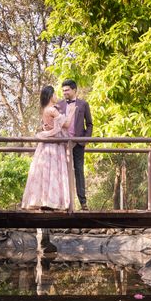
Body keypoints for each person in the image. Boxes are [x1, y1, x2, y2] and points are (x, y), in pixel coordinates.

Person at [21, 85, 72, 210]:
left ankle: (43, 199)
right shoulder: (52, 110)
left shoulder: (44, 109)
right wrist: (71, 112)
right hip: (53, 144)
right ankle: (52, 201)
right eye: (54, 94)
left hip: (45, 145)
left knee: (44, 172)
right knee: (53, 171)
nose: (56, 96)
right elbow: (66, 124)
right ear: (50, 96)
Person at [57, 80, 93, 210]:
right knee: (63, 172)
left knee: (79, 171)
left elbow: (89, 124)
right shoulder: (59, 104)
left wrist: (84, 140)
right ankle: (65, 203)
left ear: (74, 90)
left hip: (78, 144)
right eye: (63, 90)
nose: (64, 92)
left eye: (66, 90)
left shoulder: (83, 104)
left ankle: (83, 202)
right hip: (63, 144)